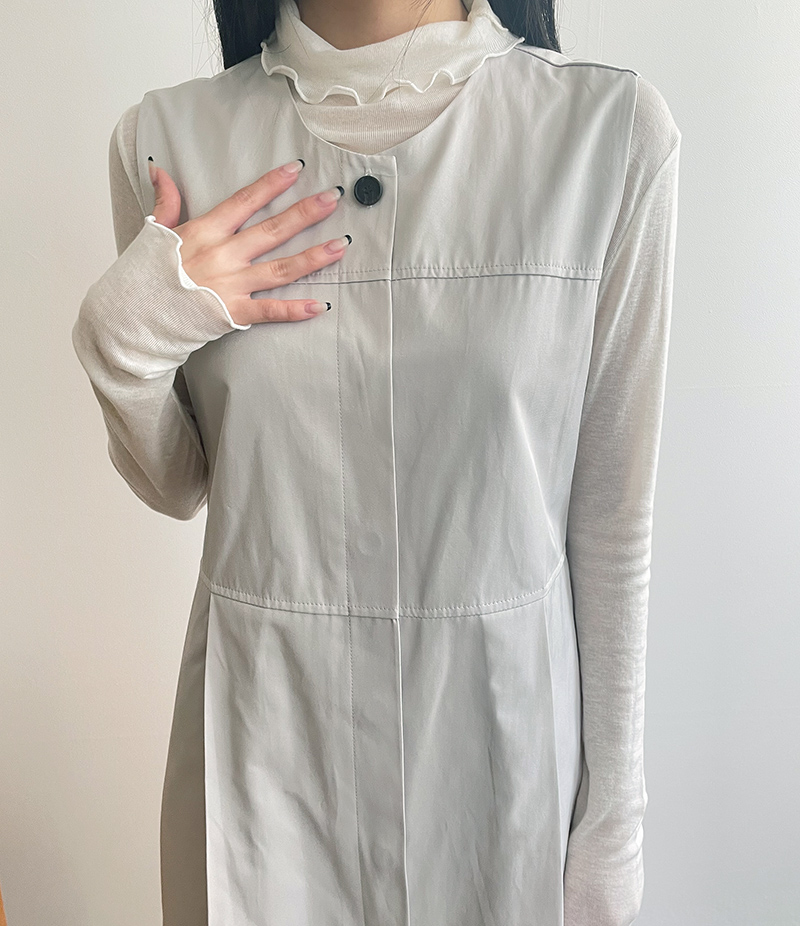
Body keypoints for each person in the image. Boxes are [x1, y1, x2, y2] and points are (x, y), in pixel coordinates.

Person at [71, 0, 681, 924]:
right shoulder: (166, 142)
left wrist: (613, 827)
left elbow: (611, 518)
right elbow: (178, 478)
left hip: (502, 763)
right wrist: (122, 338)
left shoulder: (605, 136)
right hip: (259, 757)